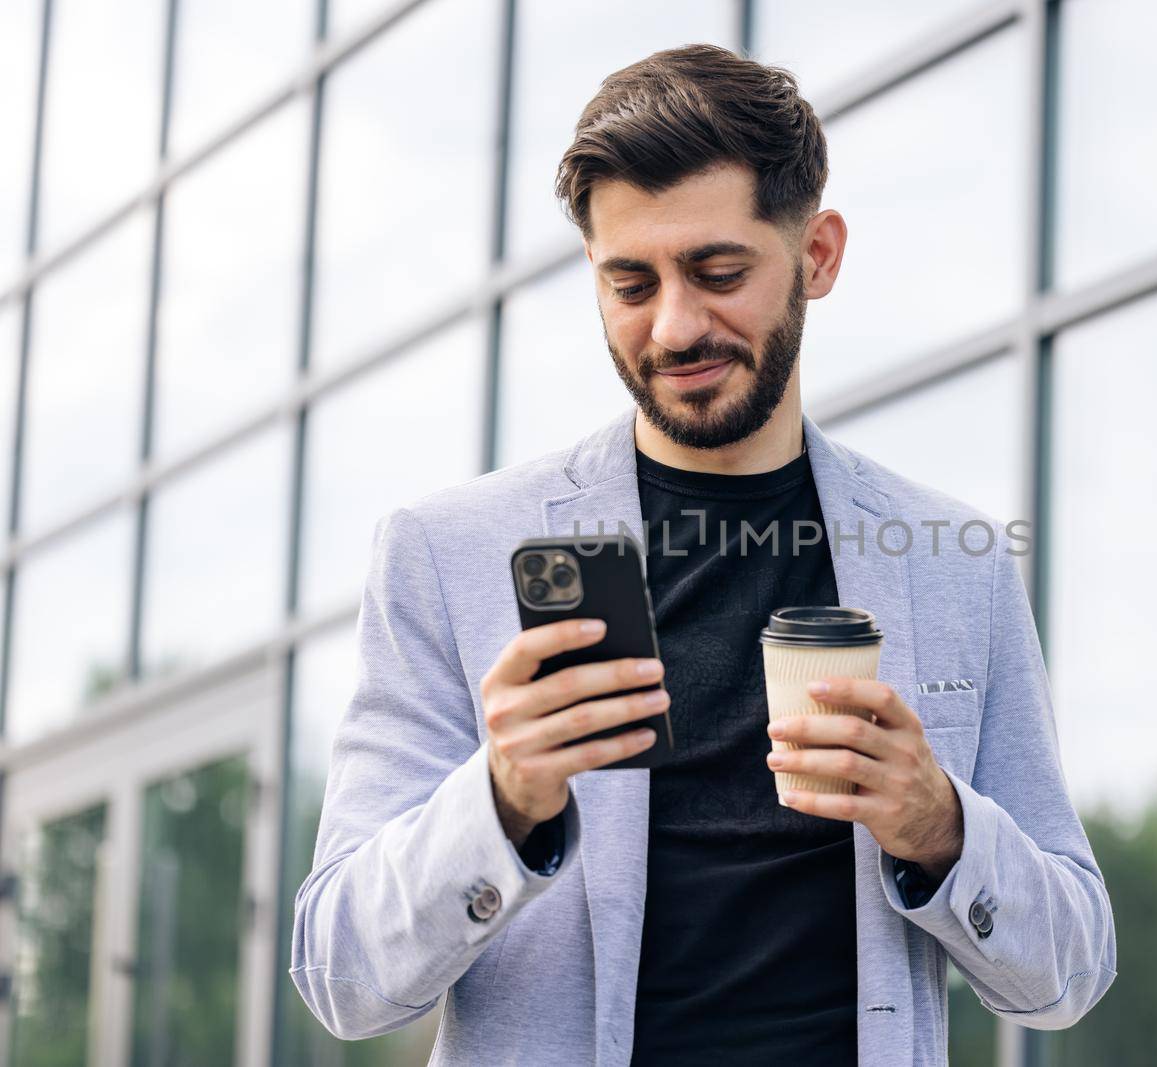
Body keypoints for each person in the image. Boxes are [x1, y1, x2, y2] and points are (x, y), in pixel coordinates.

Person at [289, 42, 1115, 1067]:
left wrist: (940, 825)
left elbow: (1069, 970)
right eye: (630, 283)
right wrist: (500, 799)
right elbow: (341, 977)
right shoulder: (446, 554)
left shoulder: (958, 565)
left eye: (718, 272)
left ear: (816, 255)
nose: (675, 326)